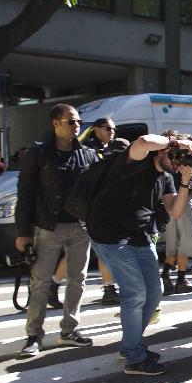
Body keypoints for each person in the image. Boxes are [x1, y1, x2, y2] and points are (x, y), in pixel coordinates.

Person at [87, 131, 192, 374]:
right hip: (109, 234)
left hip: (140, 235)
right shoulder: (136, 160)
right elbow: (143, 142)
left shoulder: (168, 177)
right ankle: (134, 358)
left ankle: (130, 345)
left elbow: (176, 211)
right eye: (176, 155)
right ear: (164, 149)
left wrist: (184, 183)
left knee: (155, 291)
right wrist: (179, 143)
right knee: (135, 293)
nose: (178, 160)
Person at [15, 104, 99, 356]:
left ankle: (69, 330)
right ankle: (33, 335)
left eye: (78, 122)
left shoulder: (88, 154)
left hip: (80, 227)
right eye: (71, 121)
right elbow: (26, 192)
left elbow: (95, 191)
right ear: (55, 123)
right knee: (40, 282)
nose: (77, 126)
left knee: (78, 279)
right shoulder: (39, 154)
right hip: (47, 226)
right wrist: (23, 230)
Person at [83, 118, 130, 305]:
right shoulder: (89, 150)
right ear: (96, 129)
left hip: (106, 210)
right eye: (107, 128)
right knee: (94, 252)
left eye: (113, 128)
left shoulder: (109, 148)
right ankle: (51, 285)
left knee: (103, 251)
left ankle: (110, 288)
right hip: (92, 211)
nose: (112, 131)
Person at [161, 164, 192, 294]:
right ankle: (181, 280)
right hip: (186, 202)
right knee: (186, 244)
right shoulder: (189, 166)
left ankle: (165, 275)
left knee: (172, 244)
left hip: (170, 204)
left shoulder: (169, 165)